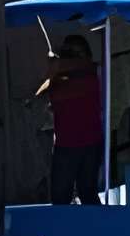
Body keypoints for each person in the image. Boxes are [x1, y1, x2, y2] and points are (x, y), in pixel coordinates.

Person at [36, 35, 104, 205]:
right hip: (89, 143)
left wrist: (55, 67)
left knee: (62, 198)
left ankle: (62, 231)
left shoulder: (76, 74)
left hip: (70, 145)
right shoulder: (92, 73)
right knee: (87, 194)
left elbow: (48, 97)